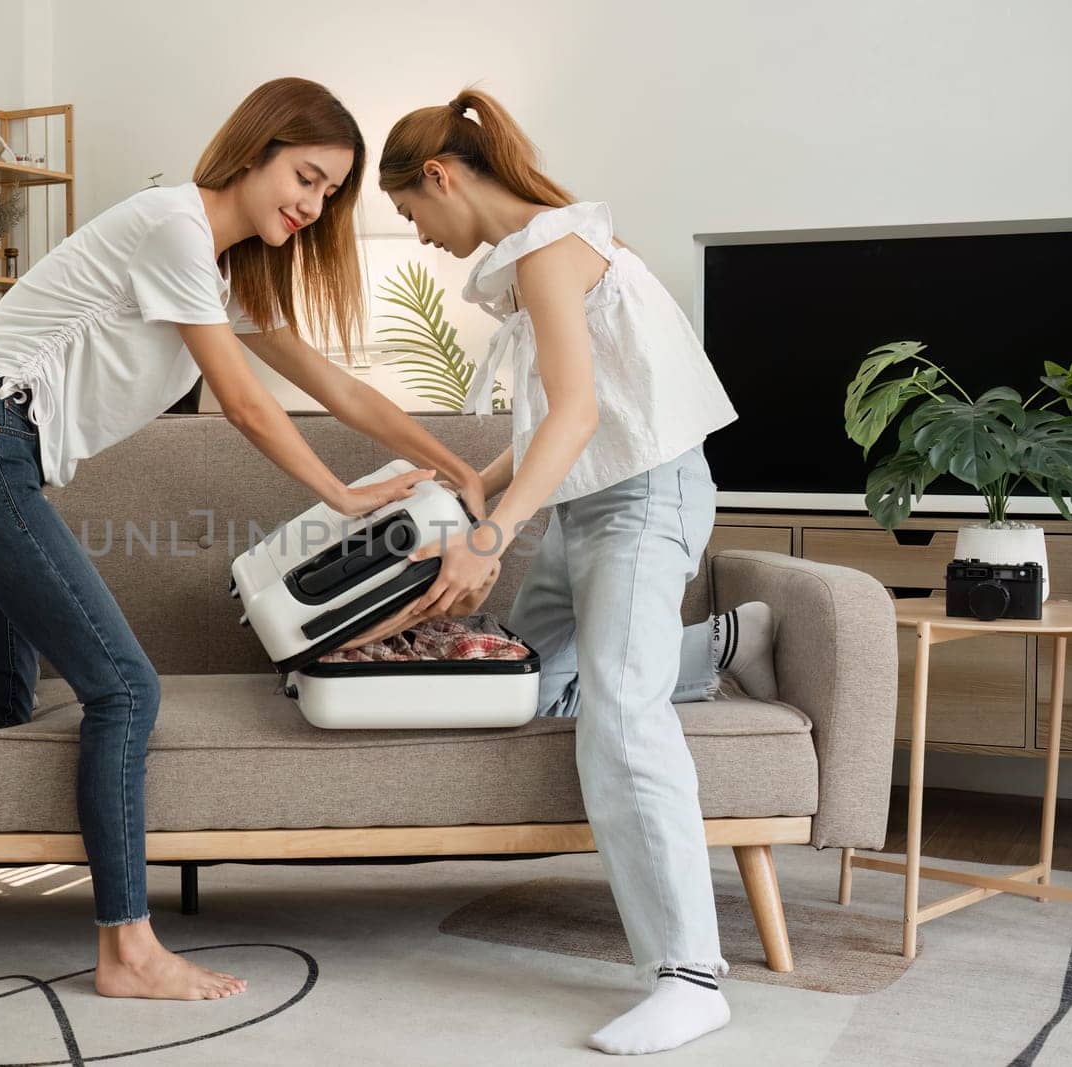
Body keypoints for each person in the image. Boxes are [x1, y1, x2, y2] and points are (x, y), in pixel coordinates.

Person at [0, 77, 498, 1003]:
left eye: (330, 193)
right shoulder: (173, 226)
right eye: (306, 175)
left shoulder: (220, 271)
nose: (313, 203)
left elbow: (342, 390)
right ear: (256, 149)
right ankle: (127, 946)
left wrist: (466, 469)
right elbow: (246, 404)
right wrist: (338, 490)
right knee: (126, 688)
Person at [371, 86, 753, 1055]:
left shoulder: (553, 248)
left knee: (621, 716)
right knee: (526, 688)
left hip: (644, 498)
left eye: (412, 213)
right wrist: (469, 493)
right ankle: (714, 651)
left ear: (443, 177)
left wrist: (493, 535)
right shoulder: (539, 258)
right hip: (590, 499)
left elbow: (580, 415)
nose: (419, 238)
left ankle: (689, 972)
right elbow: (562, 422)